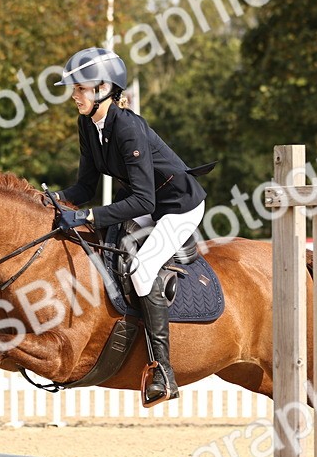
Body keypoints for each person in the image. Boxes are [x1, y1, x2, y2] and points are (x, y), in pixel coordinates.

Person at [51, 47, 207, 406]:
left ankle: (163, 371)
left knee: (141, 270)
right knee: (104, 252)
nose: (74, 95)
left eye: (80, 88)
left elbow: (144, 203)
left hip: (177, 206)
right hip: (142, 200)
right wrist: (49, 200)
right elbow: (84, 188)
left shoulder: (128, 127)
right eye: (75, 89)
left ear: (104, 88)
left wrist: (88, 216)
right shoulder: (88, 125)